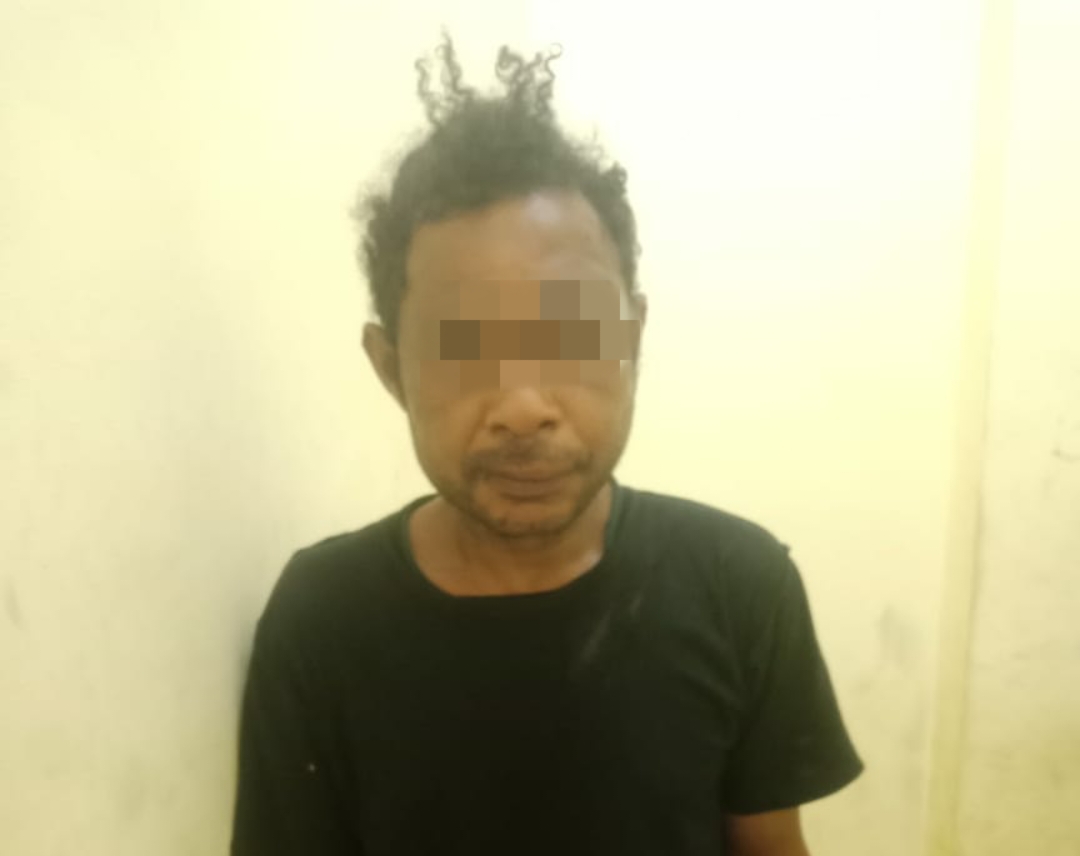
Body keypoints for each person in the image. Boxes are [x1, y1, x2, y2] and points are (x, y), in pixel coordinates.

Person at [230, 34, 863, 856]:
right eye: (463, 348)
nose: (524, 408)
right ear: (391, 368)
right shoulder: (322, 617)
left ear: (631, 339)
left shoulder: (739, 584)